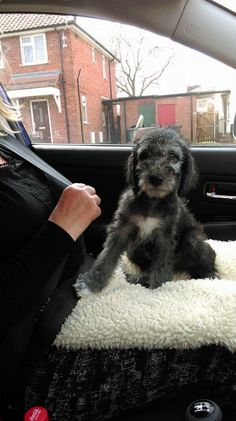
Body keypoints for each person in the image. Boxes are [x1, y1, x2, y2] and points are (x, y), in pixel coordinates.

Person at [0, 92, 236, 421]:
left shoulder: (7, 143)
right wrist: (63, 227)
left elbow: (166, 242)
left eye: (170, 161)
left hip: (83, 278)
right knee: (227, 347)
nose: (158, 169)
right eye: (148, 158)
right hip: (41, 329)